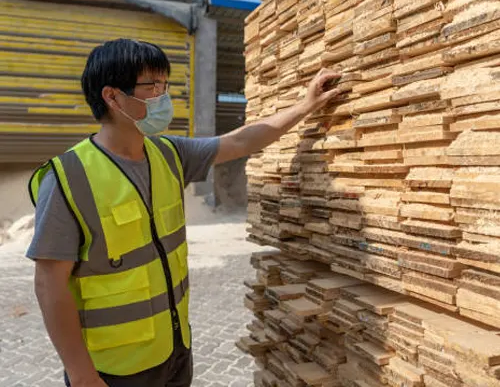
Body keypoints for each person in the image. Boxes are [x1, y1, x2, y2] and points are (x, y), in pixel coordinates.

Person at [26, 38, 341, 387]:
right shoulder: (67, 178)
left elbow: (239, 141)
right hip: (112, 370)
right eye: (152, 86)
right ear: (112, 96)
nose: (164, 96)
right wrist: (82, 375)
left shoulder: (170, 154)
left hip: (174, 350)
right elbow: (49, 285)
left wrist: (307, 105)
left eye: (165, 84)